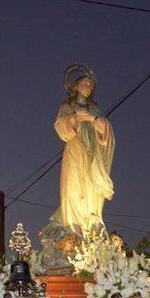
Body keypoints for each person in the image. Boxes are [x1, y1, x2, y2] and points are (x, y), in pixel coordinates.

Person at [48, 67, 115, 235]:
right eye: (85, 83)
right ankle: (73, 230)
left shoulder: (95, 111)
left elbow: (107, 134)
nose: (88, 87)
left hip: (93, 155)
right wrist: (74, 116)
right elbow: (60, 128)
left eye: (91, 85)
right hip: (75, 151)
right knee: (73, 188)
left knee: (91, 190)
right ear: (75, 86)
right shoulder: (67, 106)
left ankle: (92, 230)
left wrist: (93, 119)